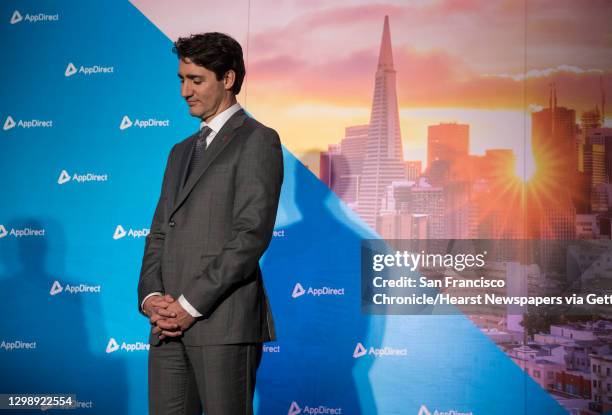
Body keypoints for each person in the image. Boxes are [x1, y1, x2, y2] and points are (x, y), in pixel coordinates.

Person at [137, 32, 283, 415]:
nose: (185, 91)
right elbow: (159, 232)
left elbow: (250, 236)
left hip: (223, 324)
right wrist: (152, 299)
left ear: (228, 79)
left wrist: (189, 304)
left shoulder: (258, 140)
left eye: (196, 80)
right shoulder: (179, 151)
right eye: (181, 79)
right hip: (165, 328)